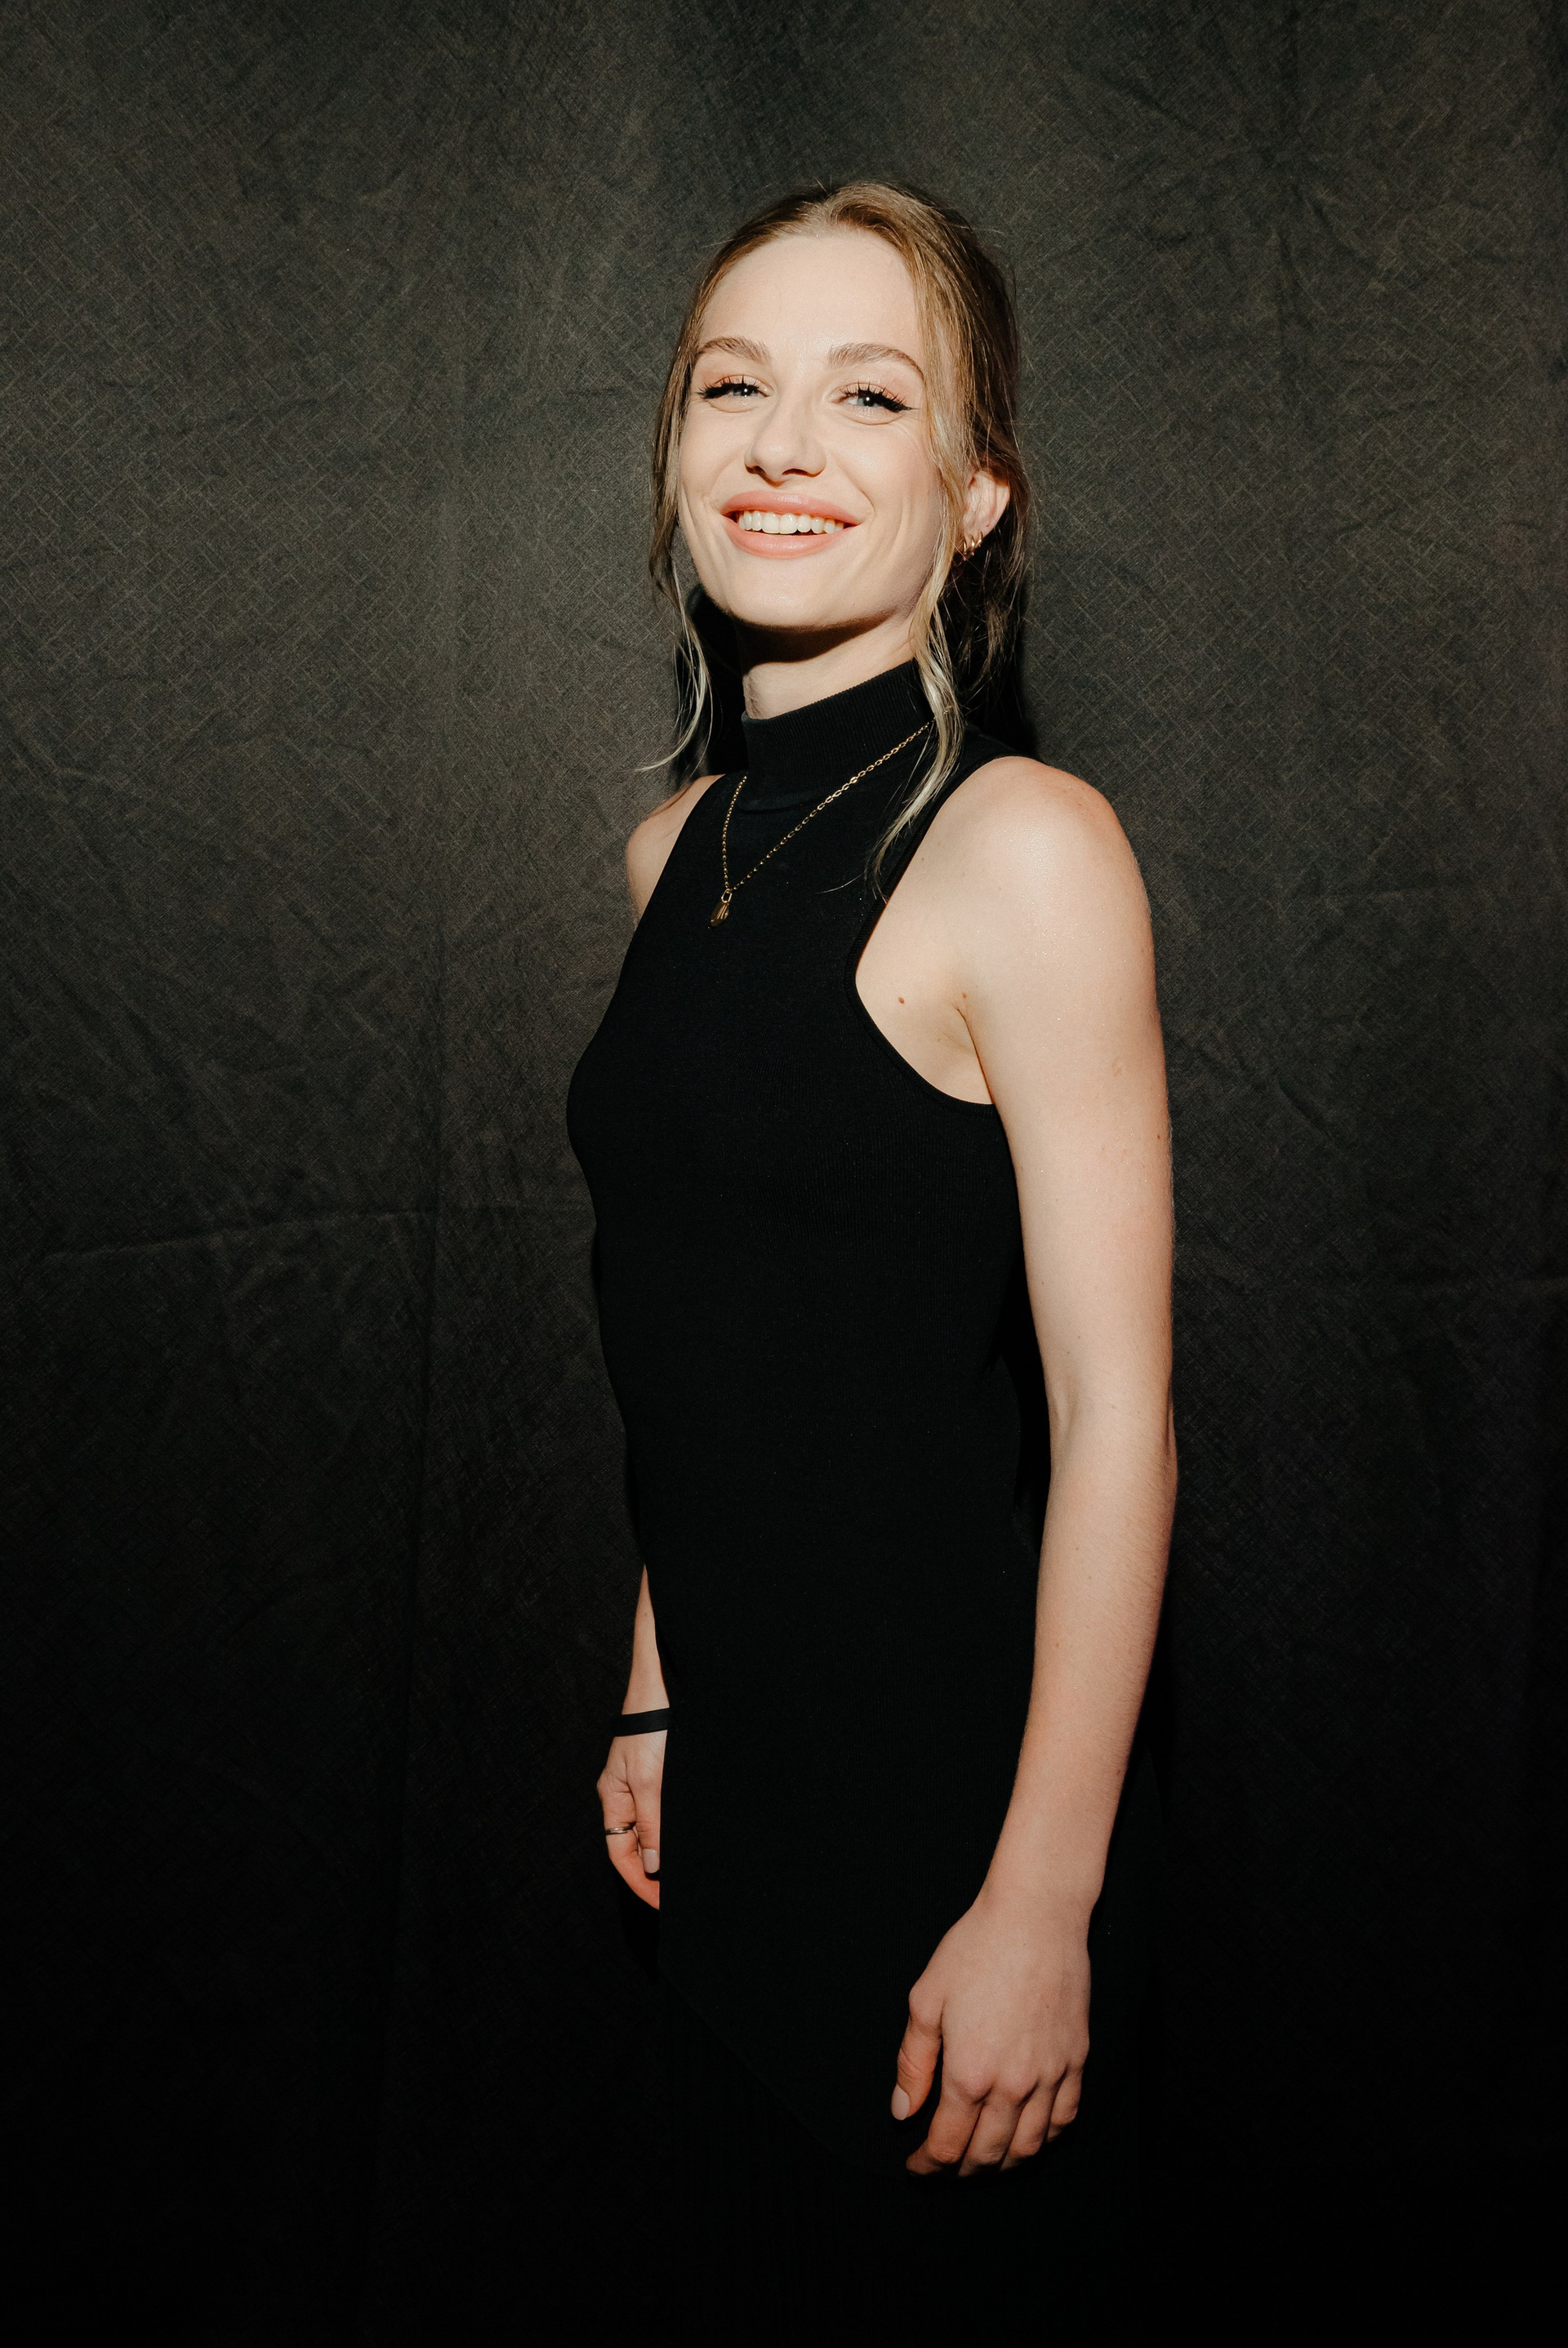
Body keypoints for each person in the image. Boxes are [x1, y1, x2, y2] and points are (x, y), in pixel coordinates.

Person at [567, 180, 1174, 2322]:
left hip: (946, 1825)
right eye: (734, 387)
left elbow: (1119, 1417)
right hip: (726, 1799)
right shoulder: (672, 849)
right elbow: (707, 1324)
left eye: (870, 395)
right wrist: (656, 1691)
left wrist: (1041, 1905)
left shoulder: (1022, 847)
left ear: (976, 491)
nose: (782, 446)